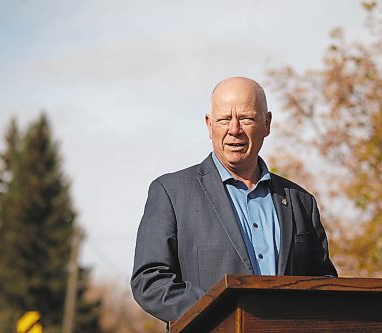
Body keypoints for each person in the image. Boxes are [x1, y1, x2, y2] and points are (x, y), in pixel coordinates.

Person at [131, 77, 337, 326]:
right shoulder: (170, 192)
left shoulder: (301, 202)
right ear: (209, 125)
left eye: (247, 118)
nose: (235, 129)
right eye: (224, 119)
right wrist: (221, 313)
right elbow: (150, 280)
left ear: (267, 123)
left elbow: (323, 283)